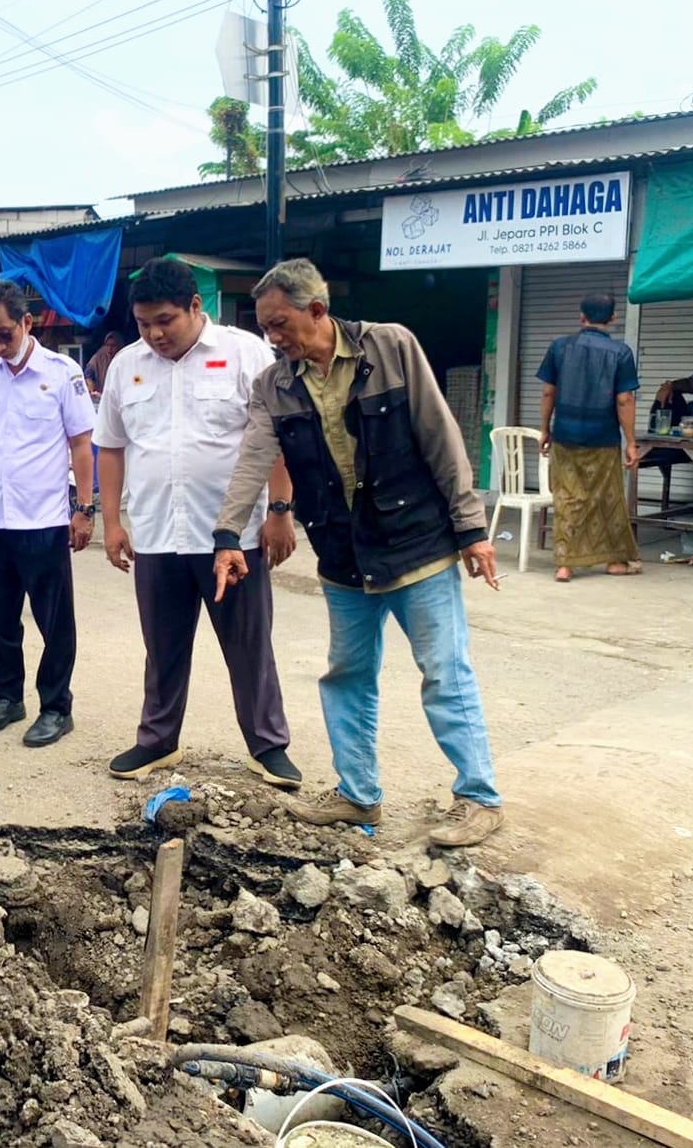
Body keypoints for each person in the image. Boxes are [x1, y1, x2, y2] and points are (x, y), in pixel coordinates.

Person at [213, 259, 505, 849]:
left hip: (417, 544)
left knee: (445, 671)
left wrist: (471, 527)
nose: (273, 336)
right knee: (347, 674)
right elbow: (252, 461)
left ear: (316, 311)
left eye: (280, 323)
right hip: (344, 553)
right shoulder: (275, 385)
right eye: (266, 326)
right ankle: (357, 795)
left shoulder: (391, 347)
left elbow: (440, 435)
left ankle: (479, 797)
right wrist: (227, 536)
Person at [94, 258, 298, 783]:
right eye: (144, 323)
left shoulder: (245, 353)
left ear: (194, 306)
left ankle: (267, 745)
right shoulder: (126, 366)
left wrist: (279, 510)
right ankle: (158, 741)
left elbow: (274, 436)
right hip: (158, 532)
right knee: (161, 648)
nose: (155, 333)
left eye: (166, 320)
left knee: (249, 646)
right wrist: (111, 522)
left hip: (233, 537)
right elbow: (112, 447)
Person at [0, 280, 96, 748]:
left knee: (55, 621)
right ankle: (7, 698)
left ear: (27, 323)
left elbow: (81, 444)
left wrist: (84, 509)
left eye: (4, 335)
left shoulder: (62, 373)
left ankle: (56, 707)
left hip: (45, 521)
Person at [537, 293, 642, 582]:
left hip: (565, 434)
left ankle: (565, 565)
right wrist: (630, 441)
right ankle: (613, 562)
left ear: (581, 316)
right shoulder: (620, 353)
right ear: (613, 319)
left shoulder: (559, 347)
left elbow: (548, 392)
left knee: (568, 497)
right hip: (603, 436)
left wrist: (545, 428)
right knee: (606, 498)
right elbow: (624, 400)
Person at [83, 331, 124, 400]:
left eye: (113, 346)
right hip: (101, 397)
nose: (110, 349)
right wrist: (92, 388)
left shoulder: (124, 357)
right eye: (107, 345)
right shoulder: (99, 357)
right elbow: (88, 373)